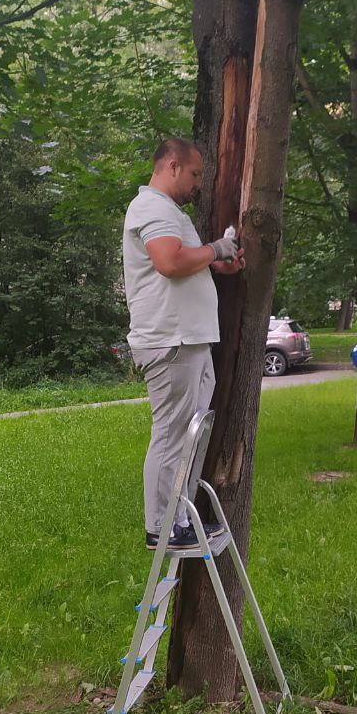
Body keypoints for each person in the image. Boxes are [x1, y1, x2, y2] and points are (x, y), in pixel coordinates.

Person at [123, 137, 245, 552]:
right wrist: (215, 248)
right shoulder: (151, 208)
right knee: (173, 435)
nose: (197, 184)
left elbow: (185, 262)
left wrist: (217, 262)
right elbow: (171, 263)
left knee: (190, 436)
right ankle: (161, 527)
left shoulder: (169, 213)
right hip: (170, 342)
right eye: (194, 174)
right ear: (172, 166)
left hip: (189, 340)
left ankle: (180, 519)